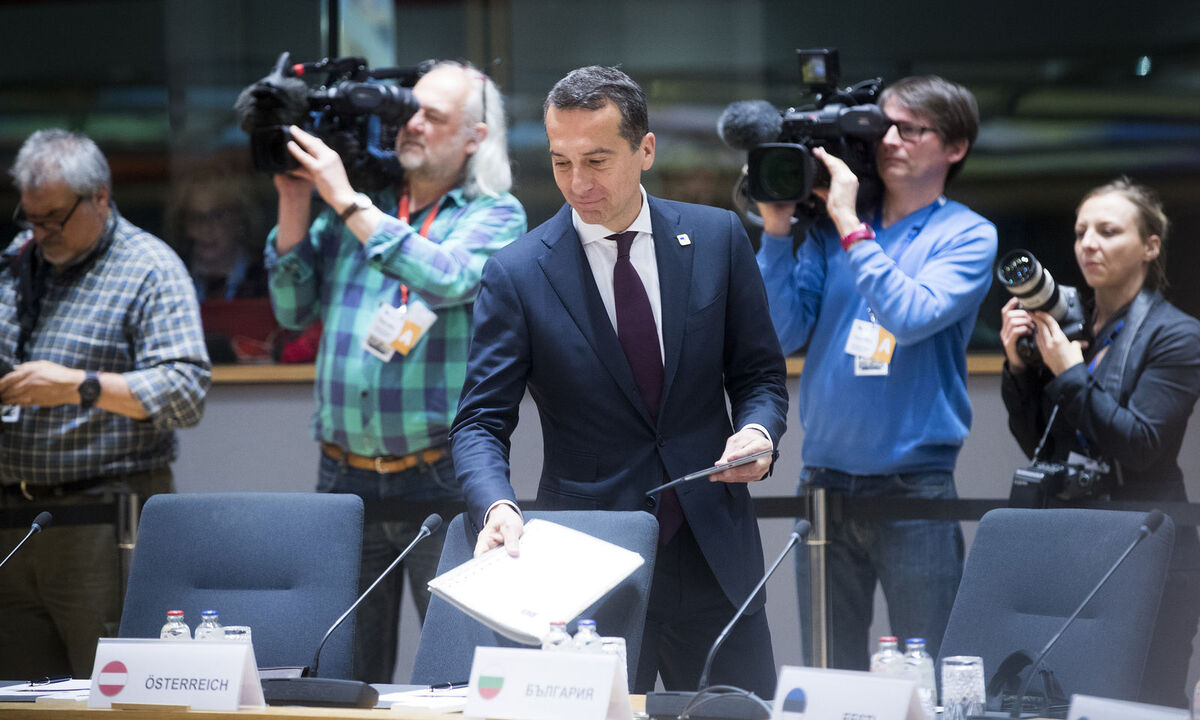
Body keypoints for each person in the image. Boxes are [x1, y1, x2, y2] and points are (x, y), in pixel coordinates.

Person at [450, 66, 789, 696]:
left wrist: (758, 432)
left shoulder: (716, 238)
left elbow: (759, 375)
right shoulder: (518, 273)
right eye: (560, 162)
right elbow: (479, 423)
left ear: (646, 150)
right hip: (587, 559)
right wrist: (495, 504)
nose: (578, 184)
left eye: (598, 160)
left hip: (713, 548)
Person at [266, 61, 526, 683]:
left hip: (436, 473)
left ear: (475, 137)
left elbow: (450, 275)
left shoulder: (496, 214)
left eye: (433, 116)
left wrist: (344, 198)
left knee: (455, 671)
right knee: (340, 673)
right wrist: (295, 199)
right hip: (342, 473)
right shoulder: (357, 208)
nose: (411, 124)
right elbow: (290, 310)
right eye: (408, 111)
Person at [755, 75, 997, 669]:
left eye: (909, 129)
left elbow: (910, 315)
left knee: (932, 675)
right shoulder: (832, 231)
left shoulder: (966, 234)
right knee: (828, 674)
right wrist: (778, 227)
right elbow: (781, 336)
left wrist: (848, 222)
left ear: (954, 147)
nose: (888, 140)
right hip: (822, 483)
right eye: (880, 126)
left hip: (915, 486)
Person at [0, 129, 211, 677]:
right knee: (21, 701)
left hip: (103, 519)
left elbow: (185, 394)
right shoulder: (17, 262)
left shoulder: (150, 268)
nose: (40, 232)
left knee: (112, 695)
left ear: (99, 197)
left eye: (52, 218)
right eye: (31, 218)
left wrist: (80, 386)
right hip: (15, 519)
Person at [1000, 178, 1200, 708]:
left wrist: (1068, 373)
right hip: (1074, 539)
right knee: (1066, 696)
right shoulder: (1075, 324)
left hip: (1150, 545)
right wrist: (1021, 370)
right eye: (1081, 231)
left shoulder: (1177, 335)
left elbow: (1140, 445)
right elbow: (1039, 446)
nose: (1089, 243)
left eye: (1108, 231)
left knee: (1146, 699)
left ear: (1150, 246)